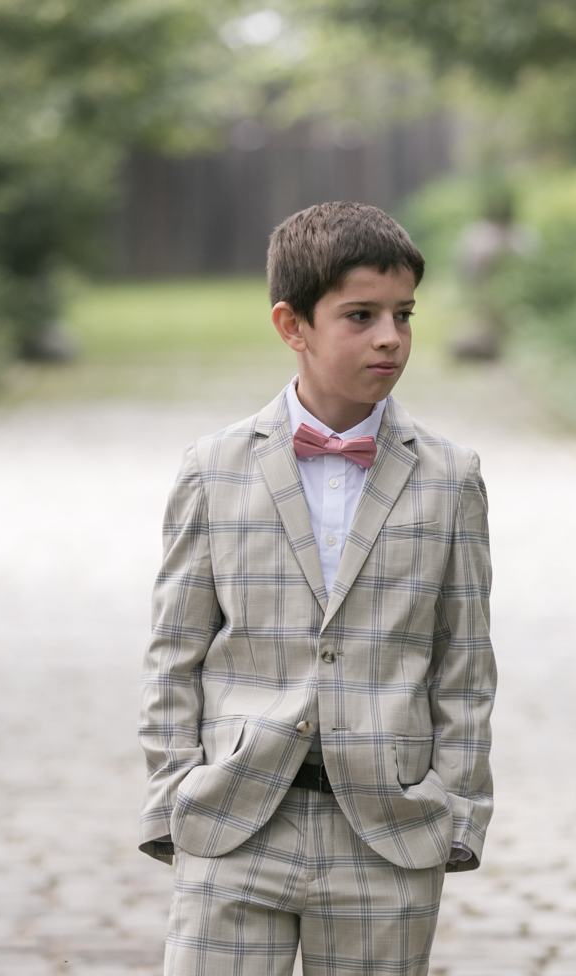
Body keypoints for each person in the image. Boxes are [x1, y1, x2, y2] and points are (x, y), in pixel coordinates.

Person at [138, 201, 496, 976]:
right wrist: (174, 795)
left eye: (403, 314)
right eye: (360, 316)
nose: (390, 337)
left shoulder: (451, 478)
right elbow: (174, 651)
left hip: (387, 835)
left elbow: (465, 663)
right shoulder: (214, 468)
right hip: (235, 823)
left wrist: (457, 813)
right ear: (291, 325)